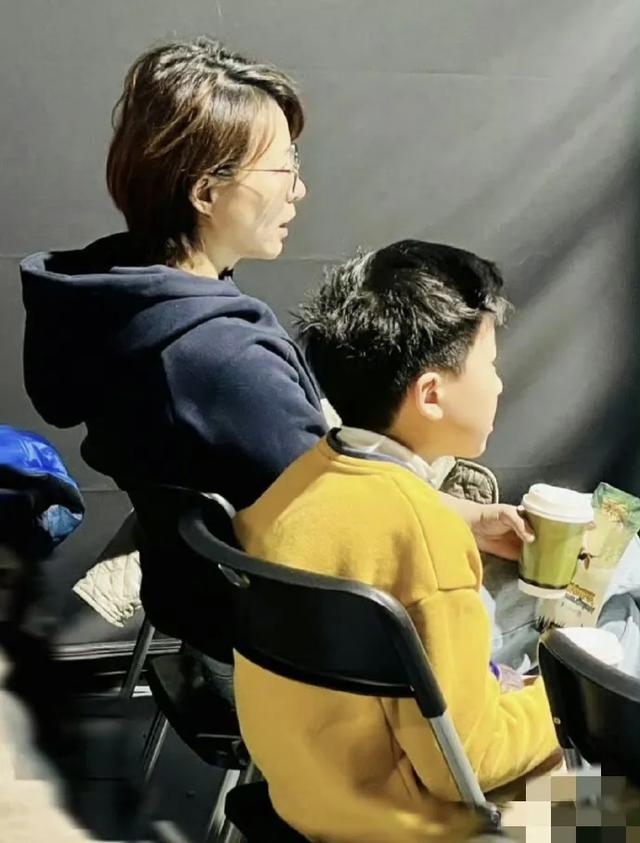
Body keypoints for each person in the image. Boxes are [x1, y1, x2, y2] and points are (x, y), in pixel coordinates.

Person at [233, 240, 559, 842]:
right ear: (431, 395)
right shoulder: (425, 536)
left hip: (304, 797)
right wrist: (562, 701)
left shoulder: (295, 485)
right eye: (489, 366)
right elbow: (471, 762)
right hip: (419, 823)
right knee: (622, 800)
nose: (499, 384)